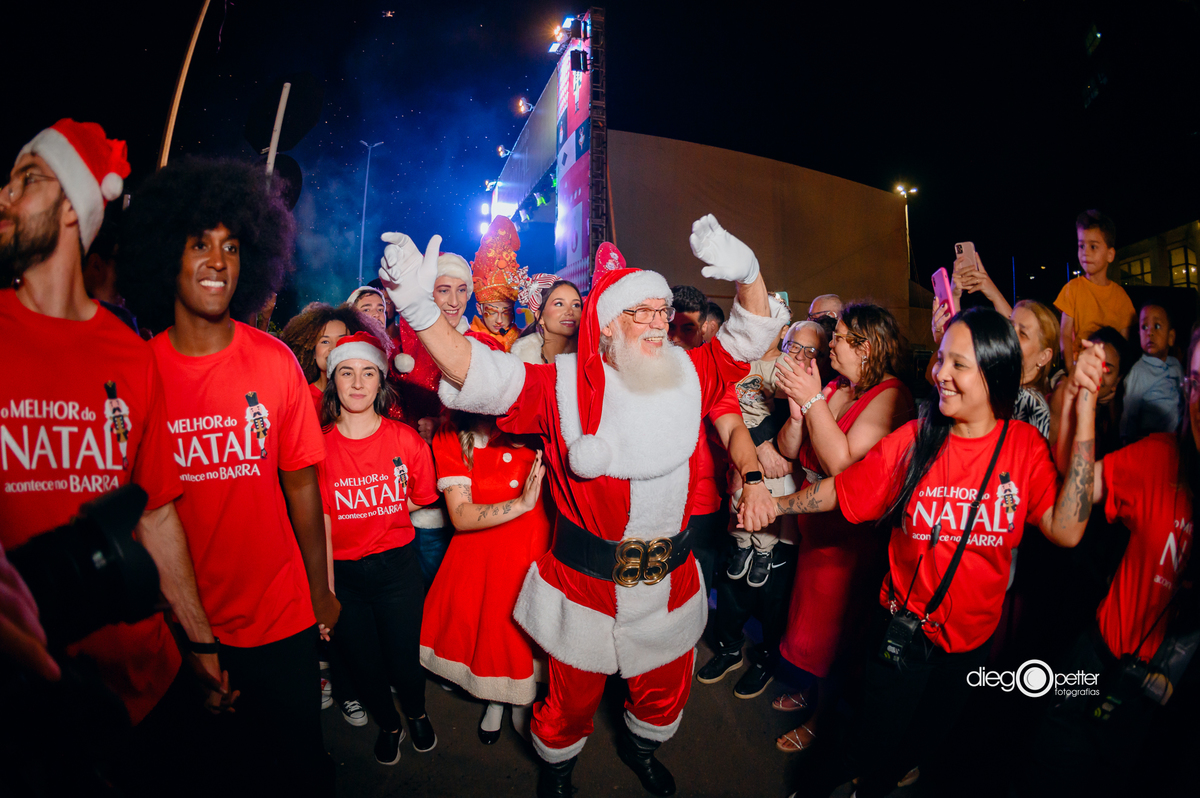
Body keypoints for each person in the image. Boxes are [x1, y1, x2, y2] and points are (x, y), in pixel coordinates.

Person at [377, 214, 785, 797]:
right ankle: (559, 769)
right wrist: (419, 313)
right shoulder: (560, 385)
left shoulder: (688, 371)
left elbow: (749, 332)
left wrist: (748, 272)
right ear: (607, 324)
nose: (653, 323)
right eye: (637, 311)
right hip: (584, 585)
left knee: (664, 692)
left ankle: (643, 750)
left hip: (667, 584)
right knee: (569, 702)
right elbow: (479, 374)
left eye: (660, 312)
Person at [766, 307, 1104, 798]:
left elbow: (1068, 529)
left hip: (970, 647)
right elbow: (843, 491)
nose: (939, 372)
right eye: (941, 359)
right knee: (863, 740)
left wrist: (1087, 408)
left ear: (993, 373)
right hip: (903, 634)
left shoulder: (1024, 446)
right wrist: (774, 504)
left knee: (919, 744)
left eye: (957, 364)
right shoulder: (918, 439)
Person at [0, 120, 230, 795]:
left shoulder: (130, 353)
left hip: (145, 683)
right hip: (28, 694)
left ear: (74, 206)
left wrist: (202, 644)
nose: (4, 197)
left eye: (27, 180)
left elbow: (156, 513)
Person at [118, 157, 338, 796]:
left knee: (300, 770)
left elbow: (301, 482)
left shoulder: (273, 361)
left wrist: (319, 589)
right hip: (189, 626)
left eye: (232, 247)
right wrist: (190, 637)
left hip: (282, 613)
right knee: (219, 773)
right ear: (168, 256)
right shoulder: (139, 373)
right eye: (198, 244)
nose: (217, 260)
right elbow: (142, 515)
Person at [1018, 327, 1199, 798]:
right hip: (1094, 657)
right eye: (1195, 383)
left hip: (1163, 701)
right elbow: (1071, 498)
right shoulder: (1161, 458)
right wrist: (1080, 407)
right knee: (1046, 761)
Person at [768, 305, 914, 754]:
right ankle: (811, 693)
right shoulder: (840, 386)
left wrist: (813, 402)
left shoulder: (890, 395)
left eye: (841, 337)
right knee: (810, 627)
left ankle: (823, 719)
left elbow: (842, 465)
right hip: (817, 527)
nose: (831, 343)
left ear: (866, 347)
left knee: (835, 635)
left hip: (850, 536)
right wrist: (798, 413)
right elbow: (790, 449)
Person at [316, 331, 440, 764]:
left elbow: (421, 497)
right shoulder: (320, 448)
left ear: (380, 381)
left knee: (404, 661)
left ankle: (418, 713)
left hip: (397, 572)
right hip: (346, 578)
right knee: (364, 666)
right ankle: (389, 725)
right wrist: (325, 595)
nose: (357, 382)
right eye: (346, 372)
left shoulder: (406, 440)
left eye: (368, 372)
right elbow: (324, 526)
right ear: (334, 381)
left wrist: (384, 516)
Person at [695, 319, 823, 702]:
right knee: (735, 581)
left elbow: (794, 450)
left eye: (809, 350)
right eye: (792, 345)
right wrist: (759, 444)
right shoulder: (763, 372)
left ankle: (768, 659)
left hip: (787, 504)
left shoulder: (819, 389)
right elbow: (733, 411)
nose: (798, 355)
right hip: (745, 486)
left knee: (774, 593)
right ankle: (730, 649)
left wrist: (775, 446)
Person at [421, 411, 552, 743]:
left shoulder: (535, 423)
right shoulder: (452, 434)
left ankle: (523, 701)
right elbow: (460, 515)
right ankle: (496, 698)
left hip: (534, 549)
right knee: (495, 630)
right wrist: (520, 504)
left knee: (527, 633)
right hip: (483, 553)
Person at [386, 248, 474, 587]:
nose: (453, 300)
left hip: (472, 497)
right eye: (443, 290)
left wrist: (446, 424)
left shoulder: (481, 345)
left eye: (461, 289)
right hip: (420, 505)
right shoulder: (404, 346)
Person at [934, 269, 1057, 437]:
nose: (1011, 335)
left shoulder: (1029, 402)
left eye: (1023, 334)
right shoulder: (1006, 388)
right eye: (1010, 326)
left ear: (1044, 356)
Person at [1055, 210, 1136, 375]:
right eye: (1081, 245)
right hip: (1079, 366)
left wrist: (1117, 377)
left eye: (1093, 246)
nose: (1085, 252)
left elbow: (1123, 345)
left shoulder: (1121, 297)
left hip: (1108, 371)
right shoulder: (1072, 289)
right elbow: (1064, 335)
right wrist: (1071, 370)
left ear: (1110, 254)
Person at [281, 302, 382, 412]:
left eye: (341, 340)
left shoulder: (366, 396)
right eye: (325, 341)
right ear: (313, 351)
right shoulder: (300, 398)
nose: (333, 348)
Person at [1120, 303, 1183, 441]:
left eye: (1157, 326)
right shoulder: (1139, 371)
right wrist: (1126, 441)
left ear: (1171, 337)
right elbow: (1129, 412)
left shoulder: (1176, 365)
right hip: (1150, 439)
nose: (1150, 332)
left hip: (1177, 439)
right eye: (1144, 327)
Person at [468, 216, 523, 352]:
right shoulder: (467, 341)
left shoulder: (524, 341)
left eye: (506, 312)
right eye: (492, 312)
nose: (500, 320)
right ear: (479, 309)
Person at [512, 279, 582, 364]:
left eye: (576, 305)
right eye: (559, 304)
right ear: (540, 316)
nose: (570, 312)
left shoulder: (593, 358)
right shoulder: (521, 361)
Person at [668, 284, 710, 350]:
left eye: (687, 330)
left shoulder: (716, 359)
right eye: (670, 327)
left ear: (704, 327)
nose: (675, 339)